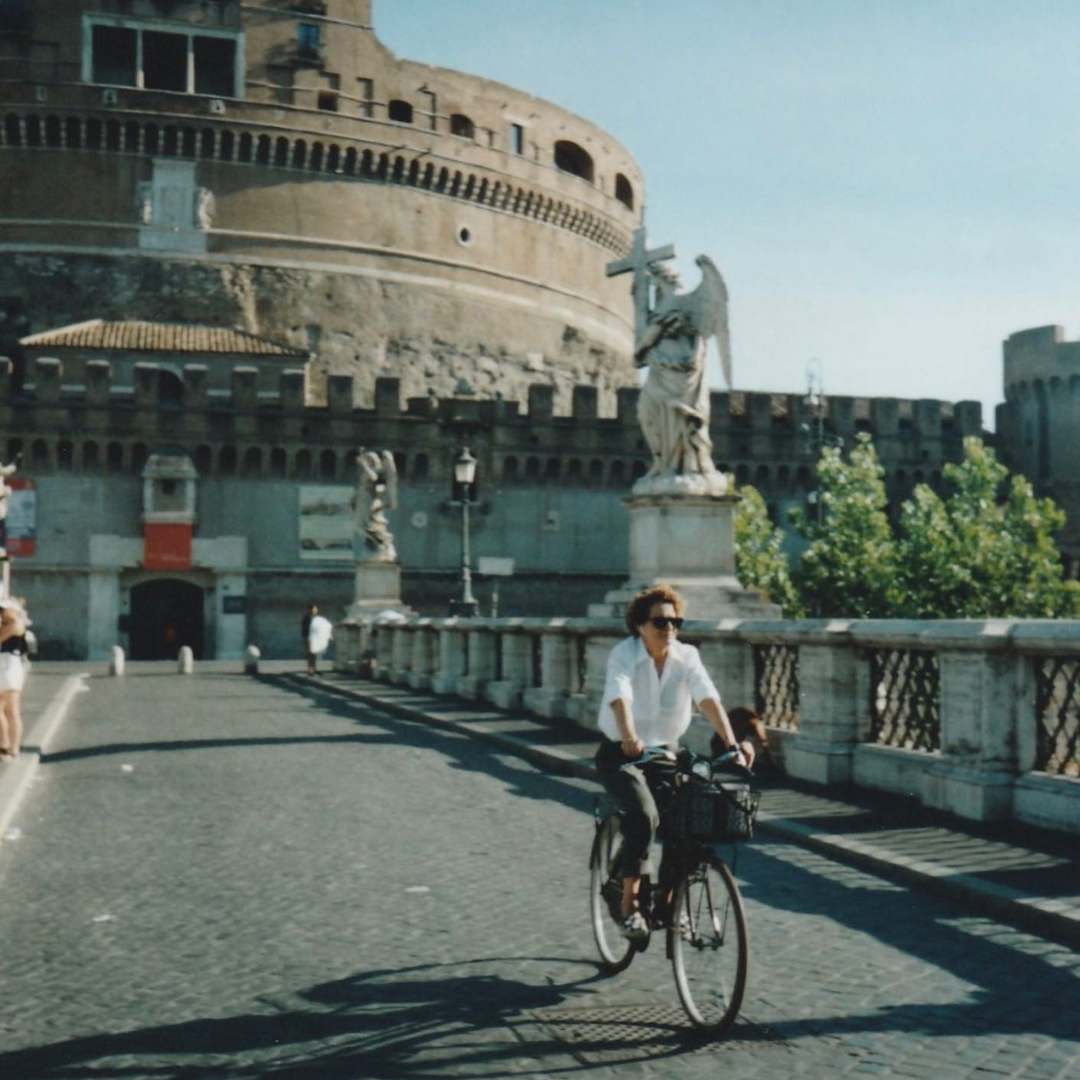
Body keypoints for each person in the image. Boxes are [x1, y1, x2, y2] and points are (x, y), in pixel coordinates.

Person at [594, 584, 753, 941]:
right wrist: (629, 736)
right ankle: (630, 907)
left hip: (665, 752)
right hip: (622, 753)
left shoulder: (687, 657)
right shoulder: (624, 653)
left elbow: (708, 697)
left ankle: (668, 905)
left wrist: (732, 746)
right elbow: (619, 696)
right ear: (640, 625)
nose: (669, 628)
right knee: (643, 814)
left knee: (691, 821)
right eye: (660, 621)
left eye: (675, 621)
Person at [0, 597, 30, 762]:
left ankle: (13, 748)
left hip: (11, 668)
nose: (1, 613)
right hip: (1, 667)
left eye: (3, 610)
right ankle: (4, 744)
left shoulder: (17, 625)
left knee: (11, 710)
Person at [301, 603, 318, 675]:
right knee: (310, 654)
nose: (316, 611)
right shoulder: (307, 618)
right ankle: (310, 669)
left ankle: (313, 668)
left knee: (314, 654)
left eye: (316, 610)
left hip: (314, 638)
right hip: (309, 638)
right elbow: (305, 629)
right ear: (310, 610)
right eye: (314, 610)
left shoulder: (314, 618)